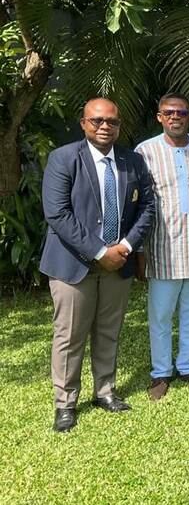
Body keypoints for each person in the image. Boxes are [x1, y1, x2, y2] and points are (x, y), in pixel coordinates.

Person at [40, 98, 155, 432]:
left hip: (118, 262)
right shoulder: (63, 159)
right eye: (98, 121)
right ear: (83, 123)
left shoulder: (132, 161)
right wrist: (99, 251)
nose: (105, 126)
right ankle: (66, 403)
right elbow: (58, 214)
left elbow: (147, 207)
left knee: (108, 332)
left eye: (112, 122)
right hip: (73, 265)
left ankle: (104, 391)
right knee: (70, 336)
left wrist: (126, 246)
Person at [135, 94, 189, 400]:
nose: (175, 117)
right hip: (161, 249)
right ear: (159, 117)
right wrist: (140, 251)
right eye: (169, 112)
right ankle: (161, 372)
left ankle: (188, 366)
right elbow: (141, 204)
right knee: (161, 315)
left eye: (181, 111)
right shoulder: (146, 152)